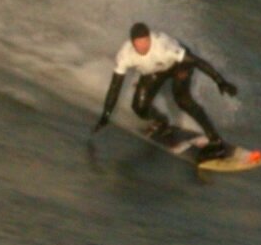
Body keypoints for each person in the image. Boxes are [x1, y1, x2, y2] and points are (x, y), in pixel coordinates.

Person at [92, 24, 238, 157]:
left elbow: (196, 61)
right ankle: (161, 121)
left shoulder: (163, 47)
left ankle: (215, 140)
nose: (143, 47)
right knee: (139, 107)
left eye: (146, 42)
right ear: (132, 43)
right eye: (138, 45)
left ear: (149, 38)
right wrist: (106, 114)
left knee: (183, 100)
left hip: (178, 65)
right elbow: (115, 87)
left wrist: (220, 81)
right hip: (154, 70)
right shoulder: (125, 55)